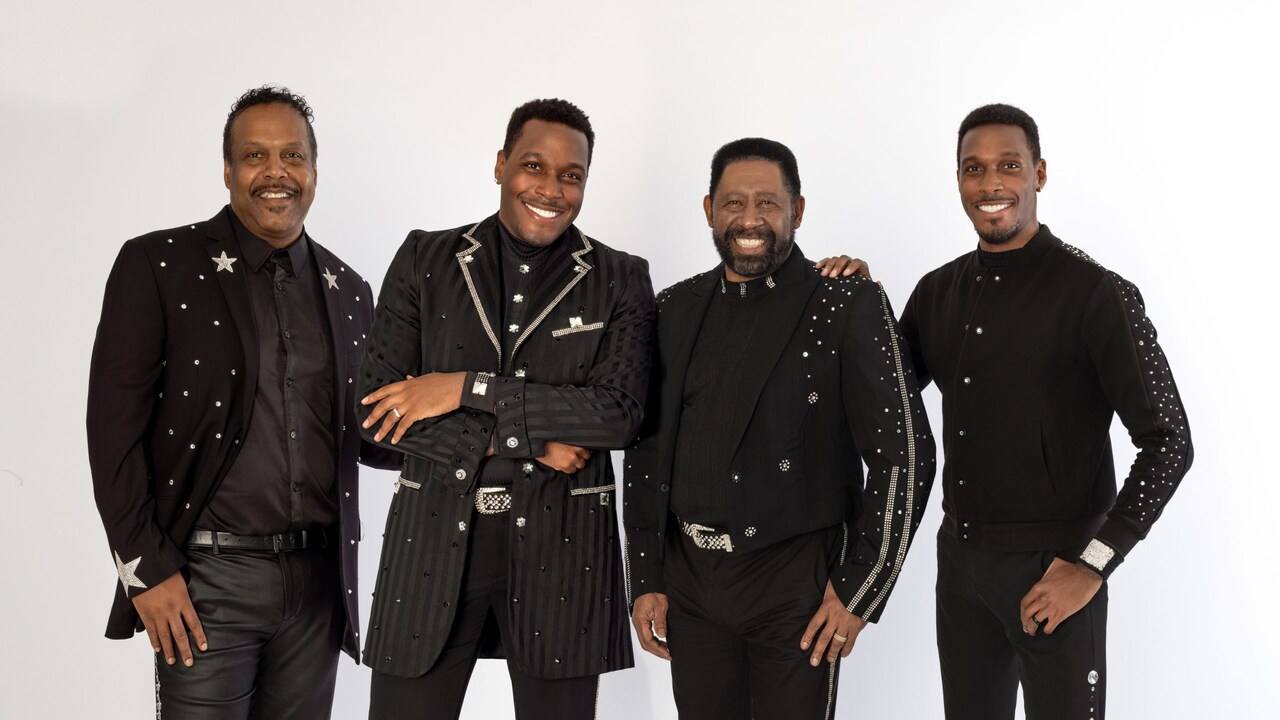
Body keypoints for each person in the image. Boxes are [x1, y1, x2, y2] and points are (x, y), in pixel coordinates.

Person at [86, 85, 400, 719]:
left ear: (314, 170)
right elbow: (111, 432)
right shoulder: (159, 265)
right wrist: (144, 570)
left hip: (318, 584)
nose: (275, 172)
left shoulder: (350, 289)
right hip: (205, 582)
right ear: (227, 170)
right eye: (255, 156)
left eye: (293, 156)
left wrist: (482, 407)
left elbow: (371, 437)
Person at [354, 98, 652, 719]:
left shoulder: (621, 278)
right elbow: (375, 418)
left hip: (566, 554)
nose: (550, 188)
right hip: (430, 547)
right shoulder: (423, 259)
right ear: (500, 165)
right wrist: (525, 441)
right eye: (533, 166)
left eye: (571, 176)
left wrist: (464, 387)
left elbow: (617, 414)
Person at [898, 103, 1193, 720]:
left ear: (1039, 173)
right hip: (961, 566)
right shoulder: (936, 292)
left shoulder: (1096, 293)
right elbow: (880, 395)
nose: (991, 184)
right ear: (958, 180)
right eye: (973, 169)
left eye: (1009, 165)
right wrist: (851, 298)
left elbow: (1169, 441)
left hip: (1055, 571)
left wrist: (1092, 565)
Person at [624, 137, 937, 719]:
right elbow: (646, 451)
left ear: (798, 210)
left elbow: (907, 455)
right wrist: (645, 575)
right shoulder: (672, 307)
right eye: (733, 203)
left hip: (797, 582)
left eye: (768, 203)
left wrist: (861, 590)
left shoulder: (845, 300)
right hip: (689, 583)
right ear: (708, 209)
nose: (749, 219)